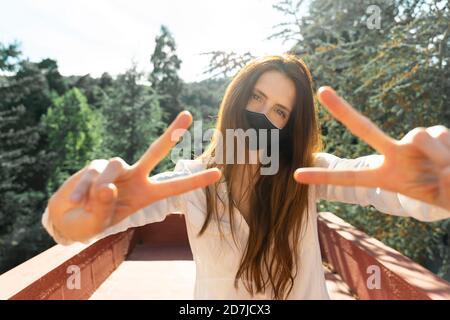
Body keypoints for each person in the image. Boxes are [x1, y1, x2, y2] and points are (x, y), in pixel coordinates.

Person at [42, 54, 450, 300]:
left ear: (288, 128)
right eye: (256, 97)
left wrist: (427, 188)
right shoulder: (191, 181)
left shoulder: (308, 174)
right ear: (236, 99)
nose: (260, 115)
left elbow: (382, 186)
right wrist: (70, 216)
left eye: (279, 111)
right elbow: (86, 225)